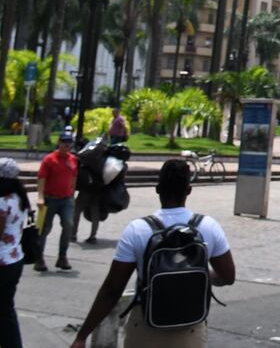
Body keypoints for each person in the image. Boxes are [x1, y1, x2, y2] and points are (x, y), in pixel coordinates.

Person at [70, 159, 235, 348]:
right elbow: (227, 276)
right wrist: (201, 275)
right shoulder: (208, 227)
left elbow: (112, 290)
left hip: (146, 325)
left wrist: (82, 336)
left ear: (158, 189)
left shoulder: (138, 230)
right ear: (188, 190)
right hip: (190, 327)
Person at [35, 129, 78, 271]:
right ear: (59, 143)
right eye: (64, 142)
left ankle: (62, 256)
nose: (67, 145)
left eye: (69, 143)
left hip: (66, 199)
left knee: (68, 224)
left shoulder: (72, 159)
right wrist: (40, 197)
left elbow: (73, 178)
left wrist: (72, 194)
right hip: (50, 198)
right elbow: (42, 178)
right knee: (45, 228)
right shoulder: (49, 159)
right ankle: (39, 257)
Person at [0, 158, 29, 347]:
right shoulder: (19, 198)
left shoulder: (2, 202)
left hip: (2, 261)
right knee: (5, 308)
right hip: (15, 258)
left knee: (4, 311)